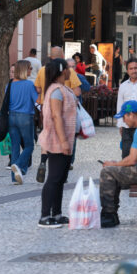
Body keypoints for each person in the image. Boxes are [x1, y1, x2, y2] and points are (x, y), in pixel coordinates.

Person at [36, 59, 77, 228]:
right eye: (67, 68)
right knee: (53, 178)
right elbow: (56, 116)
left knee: (60, 178)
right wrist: (63, 141)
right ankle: (45, 216)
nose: (69, 70)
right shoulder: (56, 91)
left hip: (66, 138)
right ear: (62, 71)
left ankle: (57, 213)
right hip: (58, 140)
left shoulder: (62, 89)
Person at [34, 47, 83, 182]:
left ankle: (44, 161)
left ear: (50, 56)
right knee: (65, 135)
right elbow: (77, 91)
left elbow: (37, 88)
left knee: (48, 131)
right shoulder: (68, 71)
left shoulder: (43, 69)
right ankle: (64, 168)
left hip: (45, 106)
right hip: (62, 109)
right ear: (62, 56)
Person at [8, 61, 39, 185]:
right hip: (26, 117)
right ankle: (18, 165)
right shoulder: (29, 85)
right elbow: (37, 102)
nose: (31, 70)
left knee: (15, 147)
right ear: (24, 70)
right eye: (29, 68)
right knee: (29, 146)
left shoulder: (9, 85)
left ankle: (15, 177)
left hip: (11, 117)